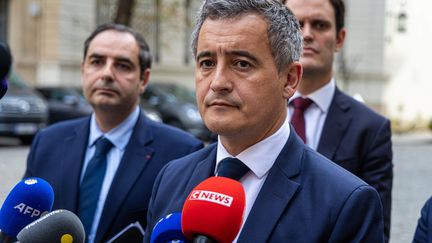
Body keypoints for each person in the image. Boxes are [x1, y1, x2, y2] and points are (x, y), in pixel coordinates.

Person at [145, 0, 384, 242]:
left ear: (290, 79)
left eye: (241, 64)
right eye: (207, 63)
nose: (218, 82)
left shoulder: (344, 203)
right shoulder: (171, 178)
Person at [23, 23, 203, 243]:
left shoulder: (182, 152)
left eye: (123, 65)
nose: (107, 74)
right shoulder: (47, 142)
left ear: (144, 79)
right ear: (83, 69)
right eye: (97, 62)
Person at [283, 0, 393, 241]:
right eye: (297, 24)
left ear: (340, 38)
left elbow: (376, 230)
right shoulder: (252, 114)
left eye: (320, 25)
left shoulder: (371, 129)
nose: (307, 34)